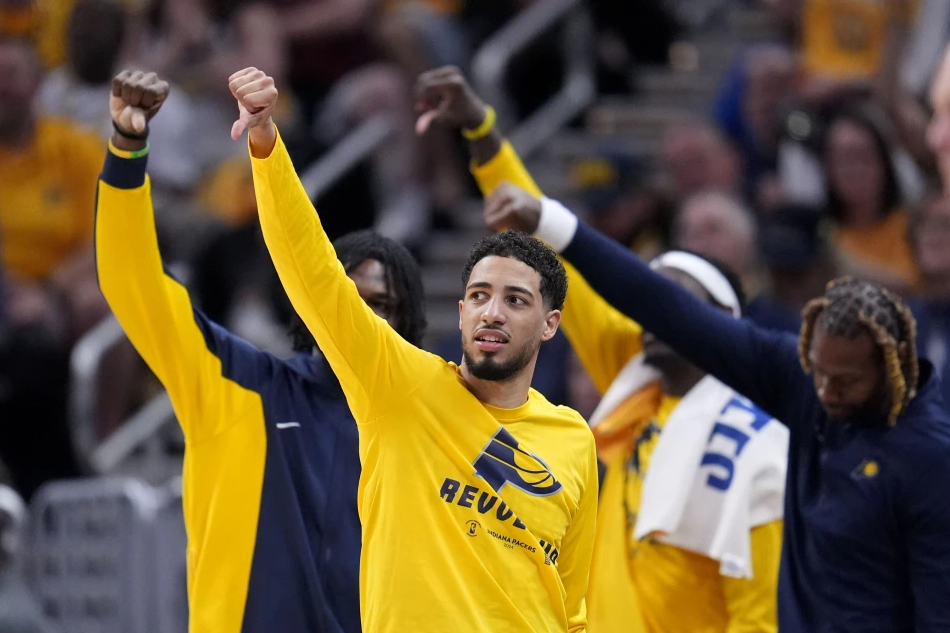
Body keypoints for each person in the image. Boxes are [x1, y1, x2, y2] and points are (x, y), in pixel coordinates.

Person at [414, 66, 788, 633]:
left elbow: (759, 616)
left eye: (675, 308)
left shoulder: (756, 438)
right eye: (649, 308)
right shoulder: (633, 373)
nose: (652, 321)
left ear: (720, 326)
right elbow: (545, 251)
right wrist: (481, 133)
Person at [485, 183, 950, 631]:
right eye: (821, 374)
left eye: (847, 381)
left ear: (896, 365)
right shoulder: (800, 383)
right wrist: (553, 222)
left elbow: (939, 608)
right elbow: (660, 304)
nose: (827, 392)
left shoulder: (930, 456)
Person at [234, 66, 598, 632]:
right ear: (461, 312)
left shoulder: (574, 439)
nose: (493, 311)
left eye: (515, 300)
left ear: (550, 324)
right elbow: (313, 275)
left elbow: (573, 609)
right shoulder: (399, 386)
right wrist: (266, 142)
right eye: (479, 295)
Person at [97, 70, 428, 633]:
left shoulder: (429, 424)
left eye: (385, 305)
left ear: (409, 324)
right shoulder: (240, 386)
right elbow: (137, 287)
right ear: (312, 304)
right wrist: (127, 152)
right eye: (352, 299)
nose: (367, 318)